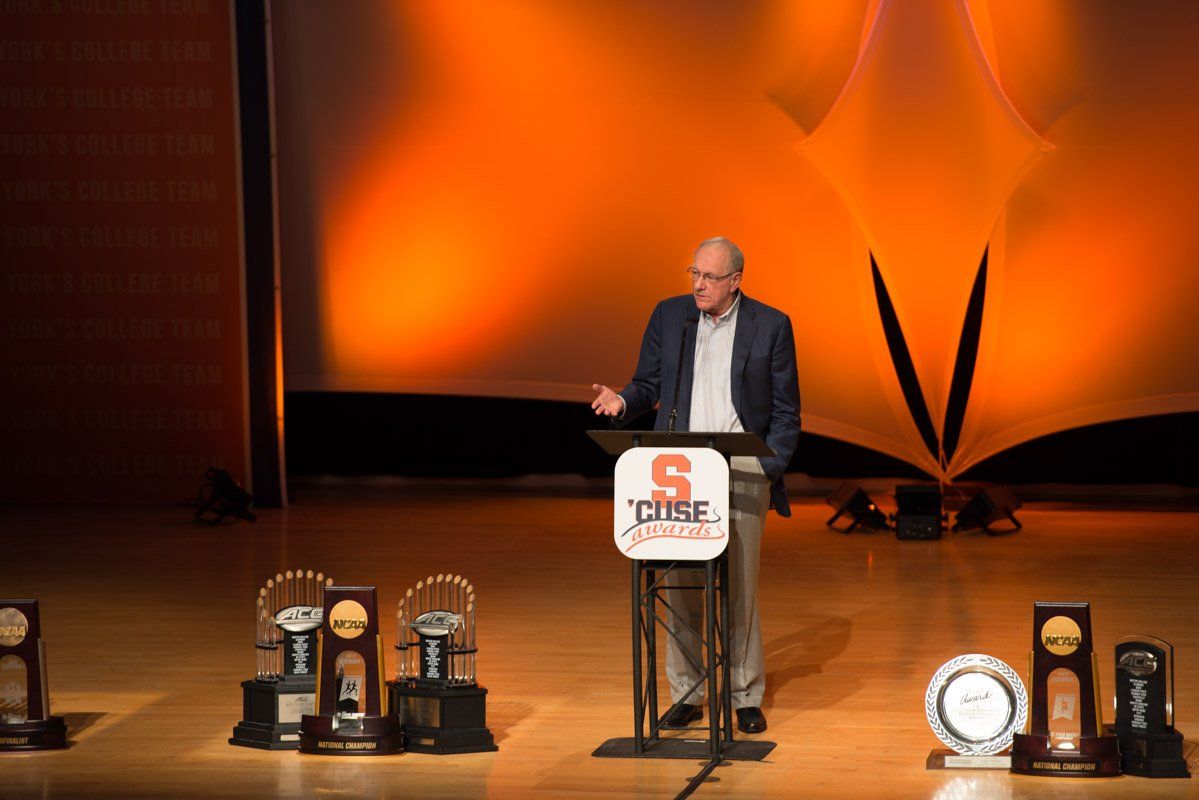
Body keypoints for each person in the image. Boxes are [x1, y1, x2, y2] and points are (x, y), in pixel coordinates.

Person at [591, 236, 800, 734]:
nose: (698, 285)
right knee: (681, 585)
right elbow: (648, 384)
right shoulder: (671, 316)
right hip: (680, 468)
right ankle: (688, 691)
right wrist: (622, 402)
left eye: (709, 277)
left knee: (739, 587)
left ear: (735, 280)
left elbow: (787, 412)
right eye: (694, 273)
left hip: (742, 465)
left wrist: (767, 469)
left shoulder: (770, 325)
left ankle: (745, 694)